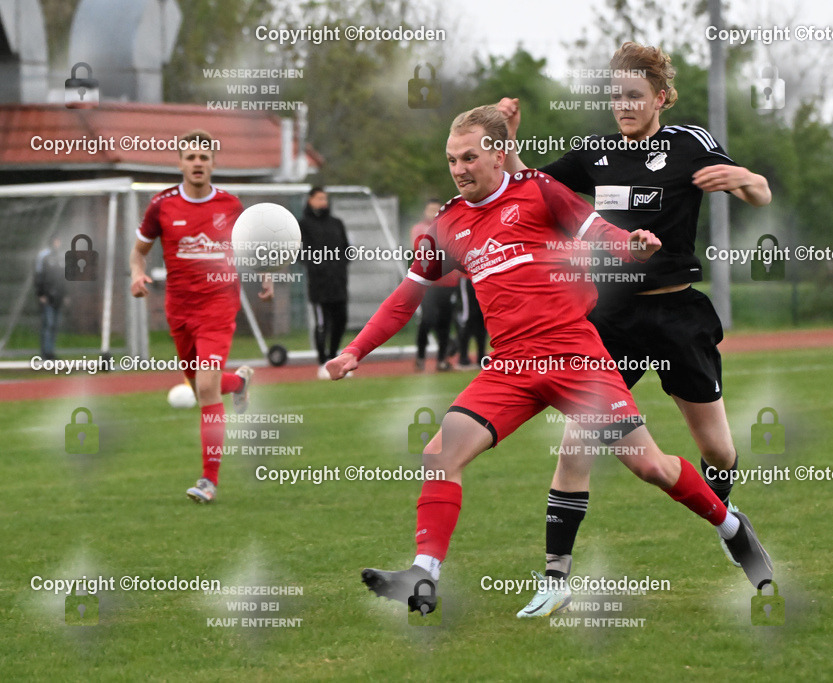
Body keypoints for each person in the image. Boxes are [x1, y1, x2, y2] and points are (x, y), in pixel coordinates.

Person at [325, 105, 772, 616]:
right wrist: (355, 350)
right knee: (439, 454)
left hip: (576, 357)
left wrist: (633, 246)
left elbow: (597, 231)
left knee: (649, 466)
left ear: (497, 154)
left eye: (469, 157)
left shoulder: (537, 191)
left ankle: (731, 526)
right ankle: (423, 576)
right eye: (451, 159)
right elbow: (407, 296)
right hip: (510, 368)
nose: (459, 168)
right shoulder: (446, 224)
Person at [496, 41, 773, 616]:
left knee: (717, 450)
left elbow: (760, 194)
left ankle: (724, 508)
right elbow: (531, 187)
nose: (622, 105)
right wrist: (508, 141)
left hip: (676, 317)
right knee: (577, 443)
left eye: (634, 96)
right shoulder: (595, 153)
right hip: (612, 319)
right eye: (615, 95)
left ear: (660, 98)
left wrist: (743, 178)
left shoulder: (688, 144)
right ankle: (555, 579)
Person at [129, 129, 273, 504]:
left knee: (205, 389)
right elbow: (139, 252)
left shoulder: (230, 205)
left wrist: (265, 274)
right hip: (179, 311)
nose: (197, 163)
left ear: (213, 164)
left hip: (218, 307)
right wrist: (136, 274)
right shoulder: (161, 206)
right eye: (191, 157)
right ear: (179, 163)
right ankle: (238, 384)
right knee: (199, 387)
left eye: (204, 158)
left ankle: (209, 480)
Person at [298, 186, 351, 377]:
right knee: (322, 324)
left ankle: (333, 357)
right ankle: (323, 362)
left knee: (341, 321)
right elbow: (300, 252)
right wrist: (317, 266)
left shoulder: (337, 223)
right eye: (319, 198)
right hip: (319, 285)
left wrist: (341, 265)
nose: (323, 202)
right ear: (310, 200)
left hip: (339, 282)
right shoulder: (303, 225)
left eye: (325, 198)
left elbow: (346, 249)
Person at [410, 198, 459, 371]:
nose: (434, 213)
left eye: (437, 209)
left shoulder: (451, 227)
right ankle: (421, 356)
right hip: (428, 284)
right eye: (431, 209)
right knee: (428, 319)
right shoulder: (419, 229)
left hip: (449, 282)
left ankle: (441, 359)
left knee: (445, 322)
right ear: (425, 211)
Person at [34, 235, 66, 360]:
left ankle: (51, 351)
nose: (57, 243)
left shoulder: (63, 256)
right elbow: (38, 275)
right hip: (47, 296)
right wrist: (40, 294)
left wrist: (65, 295)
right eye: (56, 241)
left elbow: (65, 278)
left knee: (55, 325)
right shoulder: (43, 256)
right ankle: (45, 352)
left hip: (58, 297)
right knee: (48, 323)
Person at [454, 272, 486, 369]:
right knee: (468, 318)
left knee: (482, 319)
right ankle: (463, 357)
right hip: (467, 278)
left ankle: (481, 357)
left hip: (481, 277)